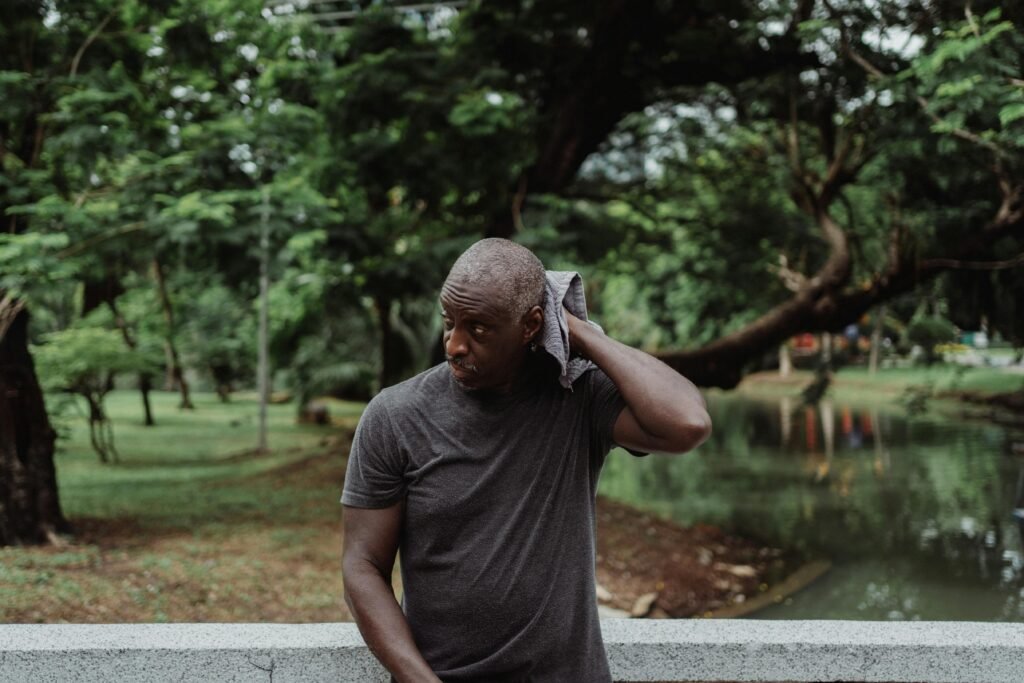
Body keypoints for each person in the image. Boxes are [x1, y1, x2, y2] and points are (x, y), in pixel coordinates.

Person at [341, 238, 711, 682]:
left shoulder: (578, 398)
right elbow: (362, 566)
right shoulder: (394, 416)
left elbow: (687, 424)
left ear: (532, 325)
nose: (454, 345)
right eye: (449, 323)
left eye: (477, 329)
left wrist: (576, 329)